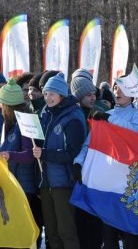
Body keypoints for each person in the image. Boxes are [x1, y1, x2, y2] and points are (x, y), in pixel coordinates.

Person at [74, 77, 138, 249]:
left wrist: (109, 120)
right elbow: (89, 143)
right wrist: (78, 162)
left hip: (129, 183)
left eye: (123, 88)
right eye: (115, 87)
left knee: (131, 237)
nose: (118, 91)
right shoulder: (107, 114)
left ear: (133, 92)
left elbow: (135, 135)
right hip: (107, 183)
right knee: (108, 235)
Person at [32, 72, 86, 249]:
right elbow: (41, 141)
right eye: (46, 93)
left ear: (62, 94)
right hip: (46, 181)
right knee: (52, 233)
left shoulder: (73, 117)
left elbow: (73, 152)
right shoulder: (46, 113)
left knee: (66, 232)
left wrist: (45, 153)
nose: (48, 98)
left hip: (64, 182)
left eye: (52, 94)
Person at [0, 79, 42, 248]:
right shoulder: (6, 123)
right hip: (11, 185)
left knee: (24, 229)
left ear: (9, 106)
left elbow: (30, 155)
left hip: (25, 186)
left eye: (3, 104)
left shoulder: (26, 121)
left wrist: (9, 154)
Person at [70, 68, 103, 249]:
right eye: (88, 94)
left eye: (94, 94)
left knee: (94, 225)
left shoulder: (98, 113)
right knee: (81, 224)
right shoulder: (75, 115)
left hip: (95, 174)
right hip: (78, 174)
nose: (93, 98)